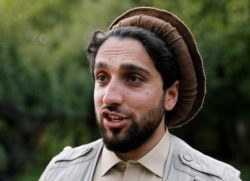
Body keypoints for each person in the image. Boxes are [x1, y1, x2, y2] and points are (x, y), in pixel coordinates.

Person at [39, 7, 241, 180]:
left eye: (133, 78)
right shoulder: (60, 172)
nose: (109, 97)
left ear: (170, 95)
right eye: (102, 77)